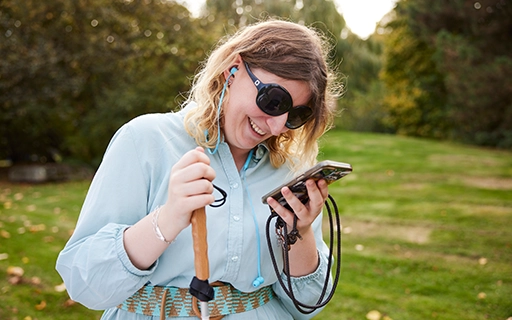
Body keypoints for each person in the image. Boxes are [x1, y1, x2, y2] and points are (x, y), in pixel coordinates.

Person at [56, 19, 340, 319]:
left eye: (296, 115)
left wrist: (301, 232)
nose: (277, 125)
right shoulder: (145, 140)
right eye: (273, 101)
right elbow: (85, 284)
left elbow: (308, 305)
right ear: (233, 69)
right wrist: (168, 219)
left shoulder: (290, 171)